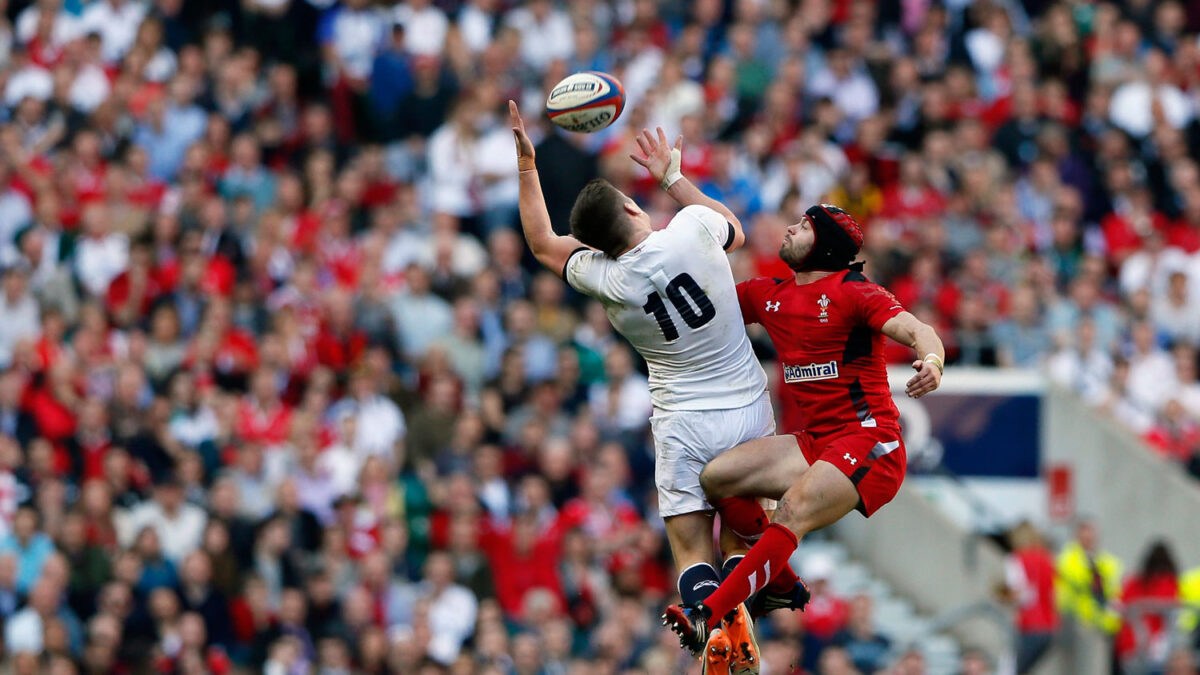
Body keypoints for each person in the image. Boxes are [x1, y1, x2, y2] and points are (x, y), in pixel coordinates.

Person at [510, 101, 776, 672]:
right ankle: (736, 620)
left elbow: (540, 243)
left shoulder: (603, 279)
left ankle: (715, 631)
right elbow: (734, 227)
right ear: (632, 206)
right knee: (744, 532)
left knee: (687, 548)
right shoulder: (690, 231)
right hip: (746, 409)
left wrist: (529, 167)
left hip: (681, 423)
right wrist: (674, 179)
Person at [664, 202, 945, 655]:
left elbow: (918, 328)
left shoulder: (855, 291)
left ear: (826, 246)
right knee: (717, 480)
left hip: (872, 442)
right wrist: (673, 185)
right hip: (817, 442)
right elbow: (704, 291)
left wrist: (932, 361)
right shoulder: (769, 294)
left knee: (791, 509)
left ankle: (707, 616)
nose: (792, 228)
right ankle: (782, 585)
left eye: (805, 225)